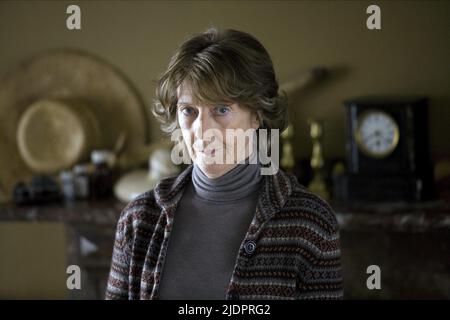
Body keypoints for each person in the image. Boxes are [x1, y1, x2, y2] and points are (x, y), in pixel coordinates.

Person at [106, 27, 343, 300]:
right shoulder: (138, 219)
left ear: (257, 115)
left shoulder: (310, 222)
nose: (203, 129)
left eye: (221, 109)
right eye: (189, 111)